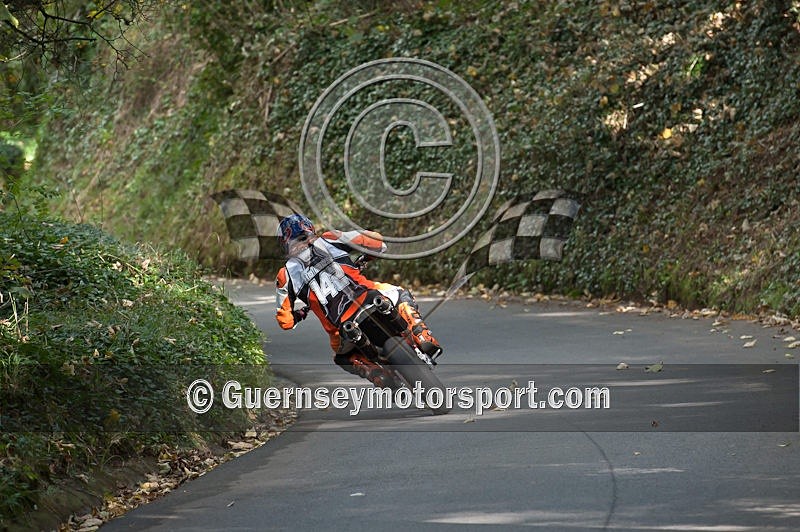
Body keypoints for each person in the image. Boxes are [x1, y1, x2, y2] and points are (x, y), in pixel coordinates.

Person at [274, 213, 441, 387]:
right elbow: (377, 242)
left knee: (342, 357)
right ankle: (421, 333)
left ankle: (376, 373)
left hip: (341, 328)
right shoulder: (331, 238)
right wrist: (367, 256)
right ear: (309, 228)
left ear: (284, 243)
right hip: (369, 297)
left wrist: (299, 314)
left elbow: (285, 322)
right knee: (400, 294)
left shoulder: (285, 275)